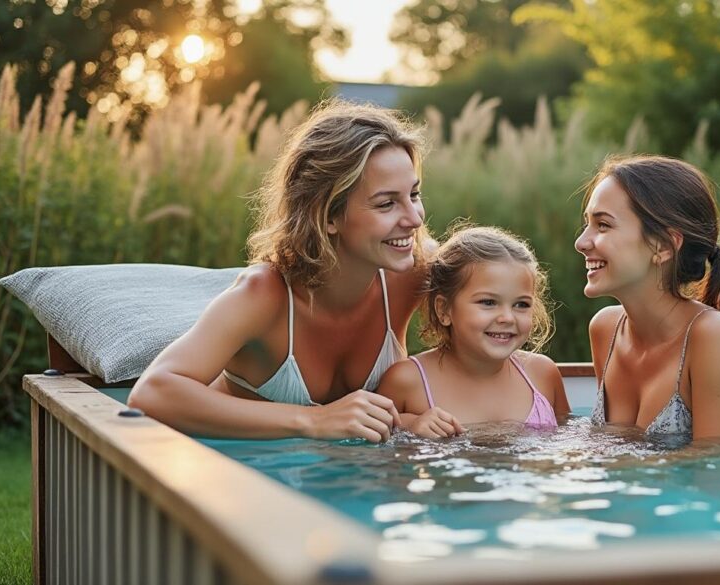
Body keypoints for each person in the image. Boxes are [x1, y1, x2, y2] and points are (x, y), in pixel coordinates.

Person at [128, 100, 429, 442]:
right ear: (327, 215)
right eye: (387, 203)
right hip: (242, 478)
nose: (414, 218)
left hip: (353, 484)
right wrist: (313, 420)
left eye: (414, 195)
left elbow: (497, 309)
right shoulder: (264, 296)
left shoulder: (412, 272)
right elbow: (152, 393)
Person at [574, 155, 720, 445]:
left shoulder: (712, 336)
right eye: (587, 223)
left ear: (663, 246)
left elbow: (714, 471)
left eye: (603, 225)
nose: (581, 242)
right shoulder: (605, 329)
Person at [378, 226, 569, 438]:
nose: (507, 317)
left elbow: (570, 443)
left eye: (521, 304)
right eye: (488, 302)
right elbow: (379, 448)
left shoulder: (542, 374)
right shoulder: (407, 380)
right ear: (444, 309)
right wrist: (409, 425)